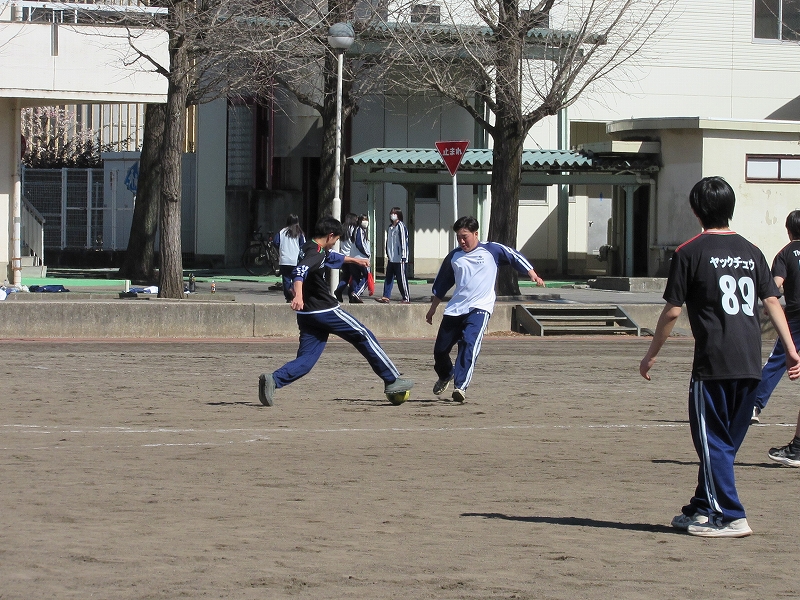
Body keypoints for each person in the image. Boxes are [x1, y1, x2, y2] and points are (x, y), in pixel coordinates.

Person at [639, 176, 800, 538]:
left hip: (713, 363)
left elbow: (672, 311)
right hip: (750, 363)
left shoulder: (689, 251)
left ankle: (731, 516)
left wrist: (650, 355)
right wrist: (791, 350)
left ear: (696, 210)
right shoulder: (751, 250)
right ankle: (700, 507)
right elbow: (772, 301)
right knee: (723, 445)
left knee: (712, 443)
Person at [258, 216, 414, 407]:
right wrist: (298, 296)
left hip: (307, 316)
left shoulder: (309, 247)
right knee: (363, 335)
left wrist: (355, 260)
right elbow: (299, 272)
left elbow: (330, 257)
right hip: (325, 310)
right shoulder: (315, 254)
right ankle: (392, 379)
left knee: (306, 360)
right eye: (336, 239)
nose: (335, 243)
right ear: (330, 236)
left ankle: (273, 380)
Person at [425, 216, 544, 403]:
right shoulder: (454, 257)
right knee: (440, 351)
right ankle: (446, 374)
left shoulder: (491, 250)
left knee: (469, 343)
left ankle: (460, 386)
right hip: (456, 309)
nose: (462, 241)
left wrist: (532, 274)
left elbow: (514, 256)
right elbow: (441, 284)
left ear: (475, 234)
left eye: (465, 236)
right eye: (458, 237)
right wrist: (432, 309)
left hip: (480, 308)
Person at [751, 210, 800, 425]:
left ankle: (754, 405)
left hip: (796, 316)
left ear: (789, 231)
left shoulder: (785, 254)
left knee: (778, 360)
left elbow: (776, 283)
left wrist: (769, 305)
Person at [378, 207, 410, 304]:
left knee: (401, 279)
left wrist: (403, 255)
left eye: (394, 213)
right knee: (388, 278)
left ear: (398, 215)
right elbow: (388, 242)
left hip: (400, 258)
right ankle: (386, 296)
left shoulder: (401, 226)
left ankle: (406, 297)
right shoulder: (390, 227)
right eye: (391, 213)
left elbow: (403, 241)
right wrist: (388, 253)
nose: (392, 215)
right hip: (391, 258)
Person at [274, 214, 306, 303]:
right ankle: (294, 292)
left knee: (286, 279)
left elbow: (275, 242)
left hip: (284, 260)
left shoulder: (282, 232)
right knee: (297, 278)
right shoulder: (300, 233)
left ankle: (288, 296)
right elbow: (303, 245)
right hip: (296, 260)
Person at [348, 214, 372, 304]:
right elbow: (360, 244)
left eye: (366, 220)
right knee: (367, 277)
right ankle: (356, 293)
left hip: (353, 257)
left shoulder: (354, 229)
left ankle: (352, 297)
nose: (366, 222)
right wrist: (367, 253)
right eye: (364, 220)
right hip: (361, 258)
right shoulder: (360, 230)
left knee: (355, 277)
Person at [334, 213, 358, 303]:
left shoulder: (343, 228)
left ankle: (339, 290)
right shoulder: (354, 229)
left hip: (343, 256)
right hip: (351, 256)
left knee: (346, 276)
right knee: (355, 276)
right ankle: (351, 294)